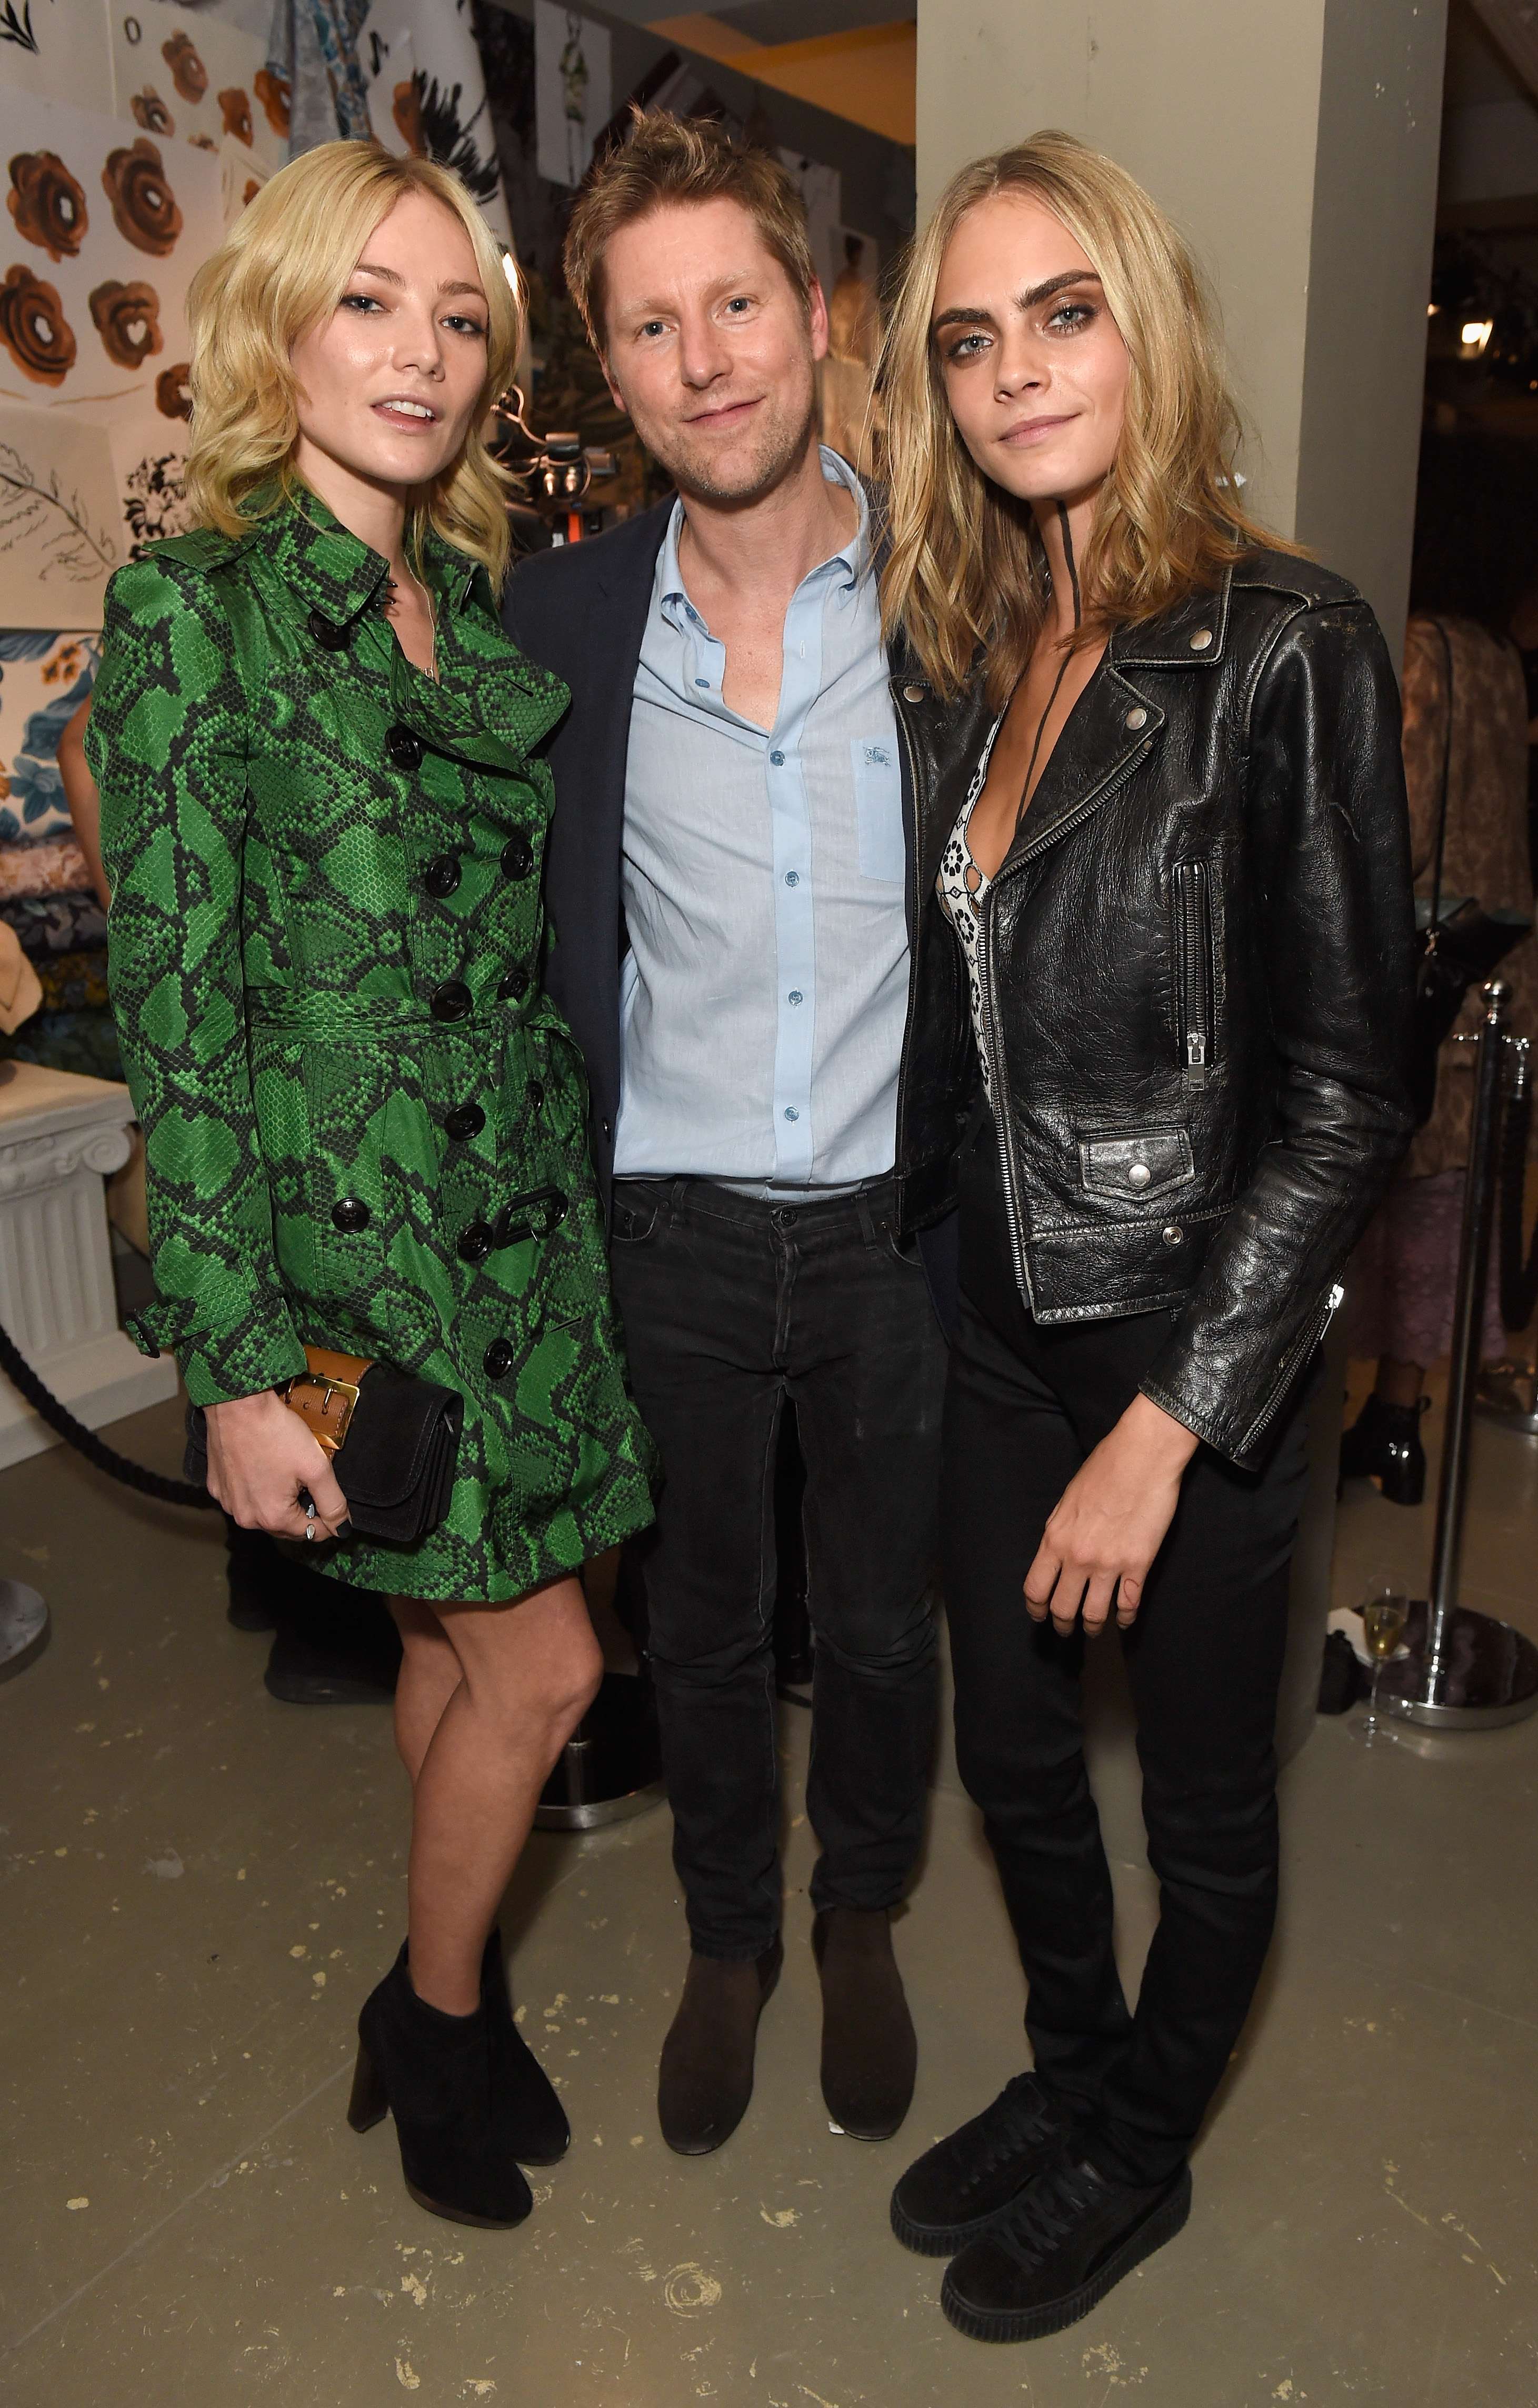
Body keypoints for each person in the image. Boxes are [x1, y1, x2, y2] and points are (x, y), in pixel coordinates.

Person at [875, 133, 1415, 2342]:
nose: (1015, 372)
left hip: (1190, 1344)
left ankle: (1147, 2140)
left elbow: (1348, 1092)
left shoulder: (1285, 645)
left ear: (1148, 321)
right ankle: (1075, 2066)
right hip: (990, 1318)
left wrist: (1173, 1420)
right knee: (1007, 1745)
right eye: (969, 338)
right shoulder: (984, 641)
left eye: (1061, 310)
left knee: (1197, 1798)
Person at [86, 139, 655, 2232]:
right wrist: (233, 1369)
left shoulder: (466, 597)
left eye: (457, 315)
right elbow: (183, 1015)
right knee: (553, 1673)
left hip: (519, 1229)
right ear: (278, 323)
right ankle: (434, 2019)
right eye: (369, 303)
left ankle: (441, 1983)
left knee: (447, 1650)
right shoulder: (191, 612)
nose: (419, 353)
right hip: (353, 1263)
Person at [504, 113, 958, 2157]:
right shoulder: (565, 630)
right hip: (668, 1219)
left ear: (815, 313)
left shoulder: (956, 605)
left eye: (737, 305)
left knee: (874, 1623)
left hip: (889, 1224)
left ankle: (855, 1914)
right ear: (609, 372)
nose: (706, 360)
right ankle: (724, 1940)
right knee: (692, 1623)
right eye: (652, 326)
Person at [61, 698, 406, 1701]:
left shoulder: (139, 713)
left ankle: (264, 1578)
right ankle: (320, 1620)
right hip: (253, 1059)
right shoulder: (174, 679)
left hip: (221, 1051)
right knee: (311, 1336)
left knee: (251, 1328)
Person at [1342, 605, 1537, 1483]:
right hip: (1495, 966)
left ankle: (1339, 1426)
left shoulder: (1420, 649)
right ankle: (1394, 1417)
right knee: (1441, 1208)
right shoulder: (1497, 654)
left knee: (1375, 1204)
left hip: (1423, 971)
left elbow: (1401, 822)